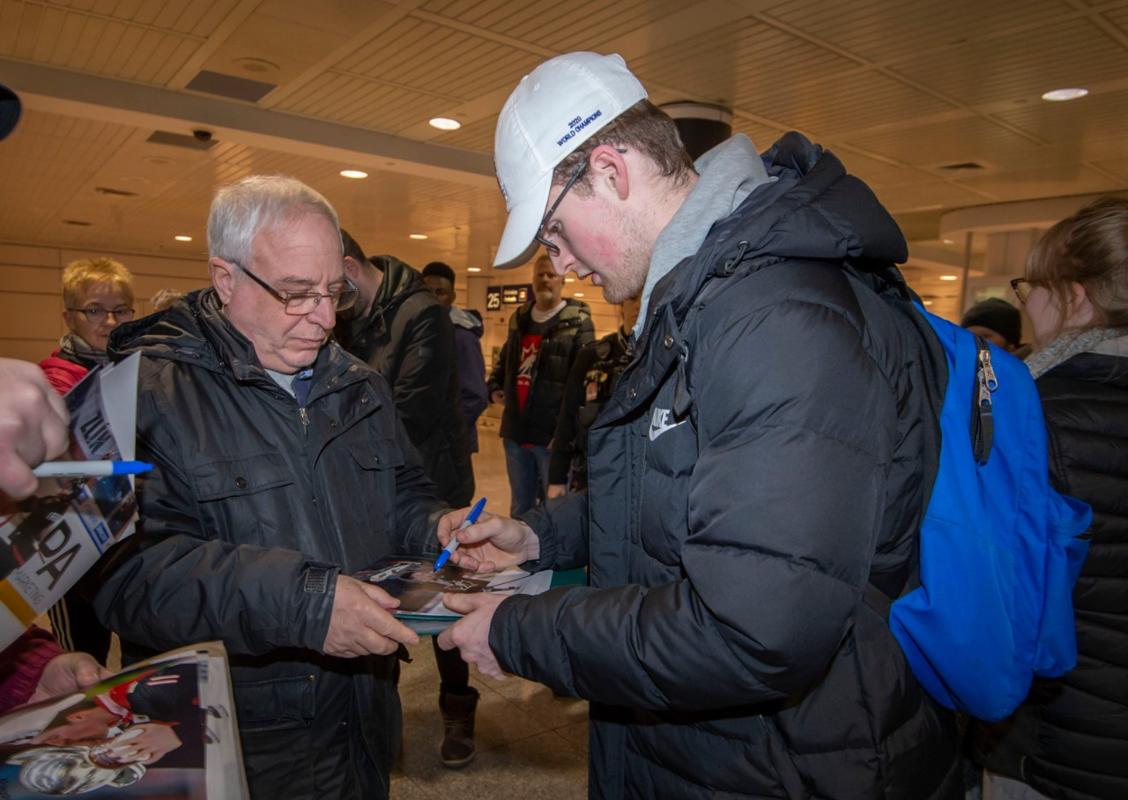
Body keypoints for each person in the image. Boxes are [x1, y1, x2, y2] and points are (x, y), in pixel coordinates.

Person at [438, 51, 961, 798]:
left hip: (792, 763)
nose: (564, 263)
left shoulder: (775, 319)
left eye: (553, 233)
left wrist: (517, 631)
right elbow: (687, 493)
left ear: (612, 172)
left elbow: (753, 631)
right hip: (719, 748)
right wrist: (539, 537)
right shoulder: (708, 303)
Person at [91, 175, 447, 800]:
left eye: (335, 293)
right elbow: (127, 578)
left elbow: (403, 493)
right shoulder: (144, 395)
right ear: (225, 279)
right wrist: (303, 604)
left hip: (360, 713)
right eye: (296, 294)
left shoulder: (360, 385)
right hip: (246, 741)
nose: (326, 319)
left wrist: (438, 527)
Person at [975, 197, 1128, 800]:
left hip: (1053, 740)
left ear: (1076, 295)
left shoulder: (1033, 413)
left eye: (1028, 285)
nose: (1024, 302)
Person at [334, 232, 479, 768]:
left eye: (330, 287)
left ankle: (458, 708)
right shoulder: (349, 319)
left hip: (430, 485)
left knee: (446, 607)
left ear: (350, 267)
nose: (324, 303)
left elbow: (406, 411)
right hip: (372, 485)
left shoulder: (423, 313)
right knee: (380, 600)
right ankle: (382, 715)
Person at [37, 257, 135, 663]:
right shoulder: (53, 378)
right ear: (69, 316)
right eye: (94, 310)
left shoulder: (134, 367)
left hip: (128, 542)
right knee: (79, 658)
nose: (109, 321)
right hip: (72, 547)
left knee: (140, 649)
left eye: (121, 310)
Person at [487, 254, 593, 516]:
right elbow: (507, 360)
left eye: (551, 275)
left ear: (562, 280)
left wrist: (566, 433)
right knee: (520, 508)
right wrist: (495, 385)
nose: (545, 280)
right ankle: (524, 557)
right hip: (516, 431)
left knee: (555, 510)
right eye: (540, 274)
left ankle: (550, 557)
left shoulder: (578, 321)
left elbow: (582, 382)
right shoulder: (519, 318)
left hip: (551, 437)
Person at [547, 294, 640, 497]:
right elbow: (568, 417)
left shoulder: (661, 357)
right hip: (591, 473)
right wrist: (556, 478)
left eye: (647, 296)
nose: (639, 306)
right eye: (632, 298)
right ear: (620, 306)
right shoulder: (591, 357)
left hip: (641, 476)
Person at [421, 261, 489, 457]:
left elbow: (475, 396)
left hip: (451, 444)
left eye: (440, 292)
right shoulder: (420, 331)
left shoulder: (462, 338)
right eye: (427, 291)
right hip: (426, 443)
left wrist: (445, 430)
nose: (433, 298)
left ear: (452, 297)